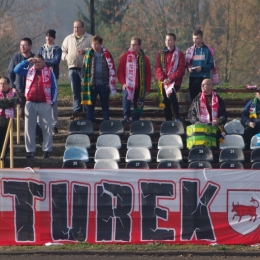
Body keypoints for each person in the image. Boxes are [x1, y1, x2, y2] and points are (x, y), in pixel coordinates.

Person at [14, 54, 58, 159]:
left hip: (45, 103)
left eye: (39, 62)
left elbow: (54, 88)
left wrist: (51, 101)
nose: (37, 64)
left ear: (44, 62)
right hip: (30, 102)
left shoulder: (50, 73)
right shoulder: (29, 71)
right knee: (29, 128)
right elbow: (16, 70)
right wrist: (27, 61)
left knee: (47, 127)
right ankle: (30, 151)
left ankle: (47, 150)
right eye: (35, 62)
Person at [82, 35, 117, 122]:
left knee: (105, 105)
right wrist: (84, 80)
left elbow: (111, 68)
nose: (94, 46)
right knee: (90, 105)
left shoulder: (107, 55)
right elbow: (83, 69)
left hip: (104, 84)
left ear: (101, 44)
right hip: (92, 84)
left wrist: (110, 82)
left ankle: (106, 123)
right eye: (93, 44)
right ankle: (89, 123)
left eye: (96, 44)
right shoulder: (88, 55)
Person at [118, 36, 151, 123]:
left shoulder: (144, 59)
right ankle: (126, 117)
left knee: (139, 104)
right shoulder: (125, 57)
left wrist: (147, 88)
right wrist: (123, 83)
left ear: (139, 46)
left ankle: (135, 121)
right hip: (128, 86)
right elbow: (120, 71)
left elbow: (148, 74)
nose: (132, 47)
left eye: (134, 45)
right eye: (131, 45)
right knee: (126, 98)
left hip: (140, 87)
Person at [61, 20, 92, 113]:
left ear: (83, 28)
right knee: (75, 92)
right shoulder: (68, 39)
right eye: (74, 27)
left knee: (86, 91)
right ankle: (77, 111)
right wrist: (66, 57)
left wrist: (85, 51)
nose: (76, 29)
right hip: (72, 68)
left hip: (85, 69)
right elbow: (63, 51)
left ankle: (87, 112)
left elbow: (94, 49)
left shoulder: (90, 38)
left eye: (78, 27)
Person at [155, 33, 185, 121]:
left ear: (174, 41)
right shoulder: (161, 54)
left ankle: (176, 118)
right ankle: (168, 120)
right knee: (165, 100)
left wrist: (171, 79)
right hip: (164, 82)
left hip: (175, 81)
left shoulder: (179, 54)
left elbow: (181, 70)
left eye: (170, 40)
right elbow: (158, 68)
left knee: (171, 95)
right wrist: (163, 79)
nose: (168, 42)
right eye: (166, 40)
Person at [37, 29, 62, 134]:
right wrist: (44, 62)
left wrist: (44, 62)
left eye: (50, 36)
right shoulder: (41, 49)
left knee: (53, 101)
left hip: (52, 77)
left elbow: (56, 61)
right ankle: (39, 124)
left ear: (53, 38)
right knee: (40, 100)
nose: (48, 38)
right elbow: (37, 60)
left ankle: (54, 125)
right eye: (47, 36)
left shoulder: (57, 49)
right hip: (41, 77)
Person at [186, 30, 219, 101]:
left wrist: (202, 68)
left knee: (205, 99)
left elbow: (211, 64)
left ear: (201, 38)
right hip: (193, 77)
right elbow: (187, 64)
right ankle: (195, 112)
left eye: (197, 38)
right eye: (193, 38)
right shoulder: (189, 51)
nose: (195, 40)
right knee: (194, 99)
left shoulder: (208, 50)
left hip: (204, 78)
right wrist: (188, 69)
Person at [7, 38, 34, 118]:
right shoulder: (16, 58)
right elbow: (10, 72)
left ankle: (33, 130)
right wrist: (12, 86)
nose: (22, 47)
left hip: (32, 90)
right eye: (21, 45)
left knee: (32, 112)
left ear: (30, 46)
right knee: (21, 113)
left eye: (25, 45)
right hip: (19, 90)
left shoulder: (35, 58)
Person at [0, 77, 19, 155]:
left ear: (8, 84)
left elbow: (15, 101)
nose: (2, 85)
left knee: (5, 143)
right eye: (0, 83)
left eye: (4, 83)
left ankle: (3, 160)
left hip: (7, 123)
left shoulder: (13, 94)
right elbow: (10, 102)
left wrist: (4, 102)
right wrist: (8, 102)